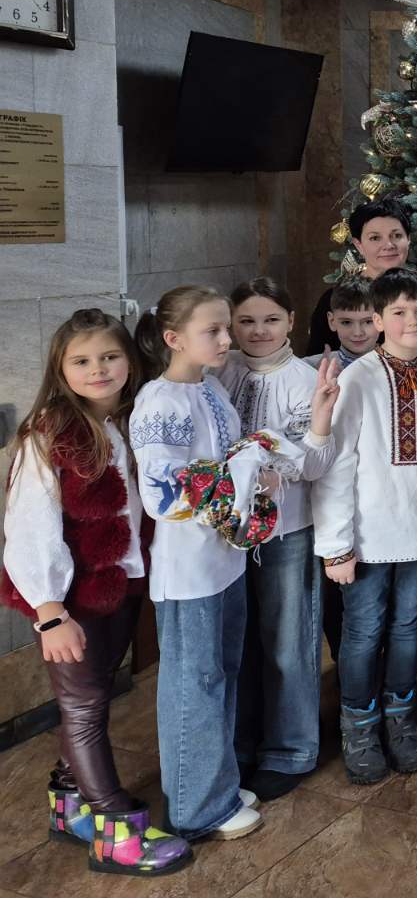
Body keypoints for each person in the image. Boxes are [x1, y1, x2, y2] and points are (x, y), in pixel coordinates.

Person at [1, 309, 194, 876]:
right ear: (61, 369)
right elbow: (29, 528)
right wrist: (49, 612)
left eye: (109, 356)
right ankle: (115, 829)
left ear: (129, 360)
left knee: (97, 695)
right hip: (71, 600)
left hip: (123, 585)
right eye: (81, 361)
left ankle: (68, 802)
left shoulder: (132, 418)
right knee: (83, 708)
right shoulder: (48, 436)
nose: (98, 369)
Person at [129, 287, 261, 842]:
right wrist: (242, 474)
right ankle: (197, 806)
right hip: (188, 569)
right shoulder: (161, 403)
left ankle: (217, 783)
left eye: (226, 327)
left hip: (223, 559)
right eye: (214, 330)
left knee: (221, 672)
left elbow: (227, 455)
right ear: (173, 338)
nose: (228, 339)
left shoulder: (208, 387)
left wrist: (255, 459)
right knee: (195, 682)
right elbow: (162, 494)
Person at [314, 269, 417, 786]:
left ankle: (400, 718)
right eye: (398, 312)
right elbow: (337, 465)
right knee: (363, 632)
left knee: (407, 627)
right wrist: (336, 545)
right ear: (377, 320)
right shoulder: (360, 379)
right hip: (367, 538)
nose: (412, 320)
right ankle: (359, 725)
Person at [216, 278, 339, 802]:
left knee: (288, 641)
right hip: (228, 533)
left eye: (270, 320)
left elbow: (315, 461)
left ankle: (291, 749)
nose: (258, 331)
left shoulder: (305, 378)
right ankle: (243, 743)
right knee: (239, 643)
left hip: (287, 529)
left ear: (290, 320)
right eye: (246, 321)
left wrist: (271, 467)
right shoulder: (220, 371)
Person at [303, 199, 417, 356]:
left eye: (397, 235)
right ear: (359, 245)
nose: (389, 245)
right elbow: (318, 358)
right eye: (375, 238)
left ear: (408, 239)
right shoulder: (335, 298)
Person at [306, 278, 378, 368]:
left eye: (368, 322)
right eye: (346, 322)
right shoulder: (308, 368)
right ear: (332, 321)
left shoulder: (394, 366)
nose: (358, 333)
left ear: (381, 320)